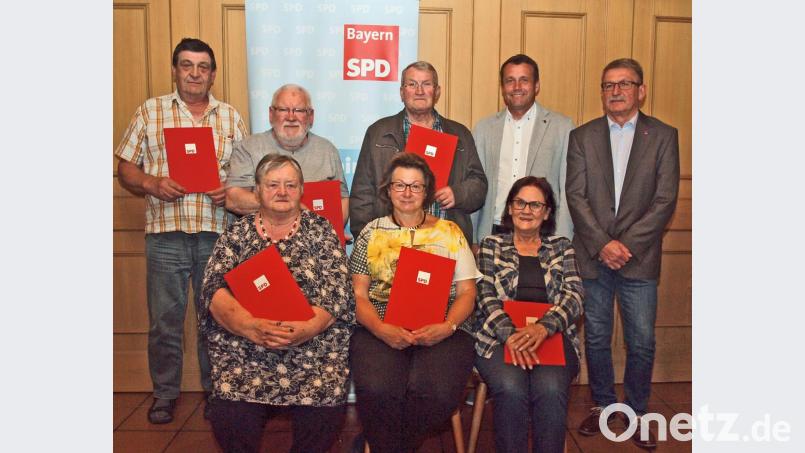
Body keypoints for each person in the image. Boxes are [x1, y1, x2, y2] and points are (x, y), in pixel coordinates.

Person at [114, 37, 248, 424]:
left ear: (213, 74)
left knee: (217, 319)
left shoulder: (230, 117)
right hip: (166, 235)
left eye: (202, 66)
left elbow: (246, 174)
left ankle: (216, 392)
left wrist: (232, 191)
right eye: (187, 65)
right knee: (164, 322)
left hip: (216, 233)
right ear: (175, 70)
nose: (194, 73)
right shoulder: (149, 112)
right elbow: (126, 168)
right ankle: (165, 394)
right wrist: (152, 184)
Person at [198, 154, 355, 453]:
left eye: (290, 185)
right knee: (230, 414)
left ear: (301, 190)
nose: (282, 192)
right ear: (256, 191)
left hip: (312, 347)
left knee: (323, 408)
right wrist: (250, 326)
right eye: (272, 185)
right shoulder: (236, 234)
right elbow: (212, 292)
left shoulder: (321, 231)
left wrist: (307, 329)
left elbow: (338, 293)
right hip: (245, 348)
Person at [566, 58, 679, 450]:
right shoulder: (582, 137)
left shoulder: (663, 135)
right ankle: (602, 405)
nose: (615, 91)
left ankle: (635, 412)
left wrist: (626, 245)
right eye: (608, 85)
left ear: (641, 90)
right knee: (595, 338)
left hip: (640, 258)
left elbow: (665, 200)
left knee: (642, 341)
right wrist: (603, 244)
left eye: (624, 84)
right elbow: (575, 197)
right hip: (594, 257)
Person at [349, 153, 481, 453]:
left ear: (427, 192)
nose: (407, 193)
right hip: (380, 324)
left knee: (436, 392)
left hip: (442, 326)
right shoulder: (371, 233)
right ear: (388, 190)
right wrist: (382, 329)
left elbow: (467, 293)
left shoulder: (449, 233)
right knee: (376, 388)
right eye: (400, 185)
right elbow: (358, 295)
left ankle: (387, 444)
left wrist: (447, 327)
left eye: (416, 186)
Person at [474, 176, 584, 453]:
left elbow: (575, 295)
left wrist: (543, 328)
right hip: (500, 338)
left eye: (535, 205)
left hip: (552, 336)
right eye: (520, 202)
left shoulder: (562, 247)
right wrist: (511, 335)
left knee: (549, 389)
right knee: (511, 388)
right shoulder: (491, 245)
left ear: (547, 212)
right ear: (510, 208)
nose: (526, 210)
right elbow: (485, 295)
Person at [349, 61, 487, 244]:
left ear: (437, 92)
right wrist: (369, 241)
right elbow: (362, 194)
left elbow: (479, 185)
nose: (419, 91)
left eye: (426, 84)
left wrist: (459, 193)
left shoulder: (460, 134)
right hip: (392, 242)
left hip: (446, 243)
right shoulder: (378, 133)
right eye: (412, 84)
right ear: (401, 92)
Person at [473, 54, 575, 242]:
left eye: (524, 80)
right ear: (503, 87)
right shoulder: (484, 128)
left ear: (536, 86)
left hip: (543, 233)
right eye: (510, 81)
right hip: (494, 231)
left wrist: (562, 238)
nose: (517, 87)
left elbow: (568, 187)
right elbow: (476, 184)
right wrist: (473, 238)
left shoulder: (562, 127)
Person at [226, 84, 349, 223]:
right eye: (283, 109)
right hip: (262, 239)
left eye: (299, 110)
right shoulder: (248, 147)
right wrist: (293, 207)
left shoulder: (327, 150)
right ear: (271, 114)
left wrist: (333, 231)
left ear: (311, 116)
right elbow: (233, 198)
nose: (291, 117)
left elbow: (342, 200)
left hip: (316, 240)